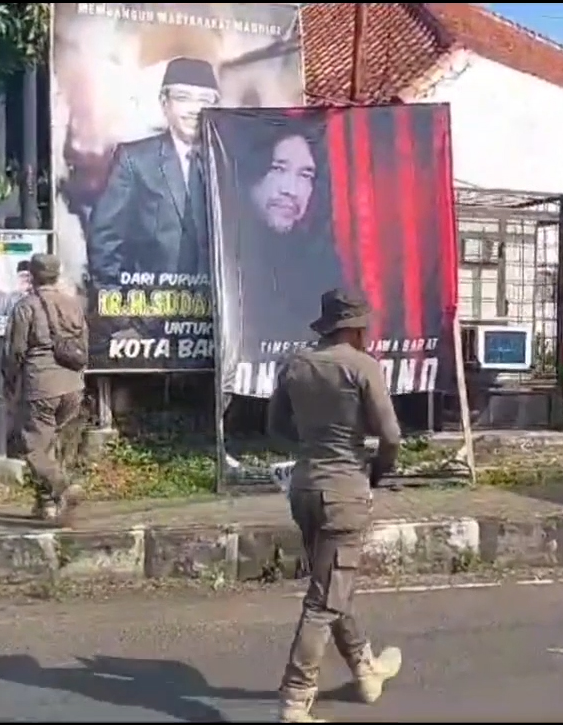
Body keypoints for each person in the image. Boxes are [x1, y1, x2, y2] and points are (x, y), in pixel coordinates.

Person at [266, 289, 404, 723]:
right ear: (355, 327)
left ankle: (365, 669)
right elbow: (391, 437)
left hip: (304, 488)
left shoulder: (294, 364)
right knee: (323, 601)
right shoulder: (363, 366)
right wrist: (376, 472)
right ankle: (295, 699)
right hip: (344, 490)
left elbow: (274, 429)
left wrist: (313, 449)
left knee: (331, 584)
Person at [86, 56, 219, 285]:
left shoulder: (228, 161)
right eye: (183, 98)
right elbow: (104, 238)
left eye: (205, 100)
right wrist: (120, 302)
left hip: (218, 312)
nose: (195, 109)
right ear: (164, 102)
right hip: (153, 308)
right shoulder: (135, 160)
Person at [226, 120, 345, 354]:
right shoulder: (222, 247)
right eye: (278, 169)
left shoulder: (320, 261)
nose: (291, 189)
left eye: (305, 175)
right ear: (252, 170)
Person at [2, 253, 88, 523]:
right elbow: (84, 344)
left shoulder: (26, 306)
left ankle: (63, 487)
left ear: (33, 275)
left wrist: (9, 381)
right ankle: (46, 506)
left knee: (35, 447)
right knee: (51, 445)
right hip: (73, 386)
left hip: (41, 385)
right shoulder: (73, 304)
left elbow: (15, 351)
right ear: (57, 273)